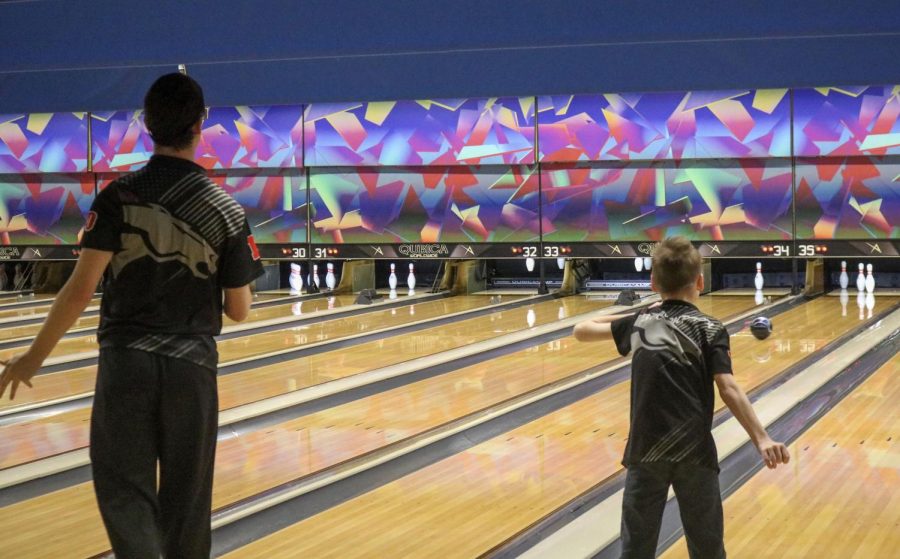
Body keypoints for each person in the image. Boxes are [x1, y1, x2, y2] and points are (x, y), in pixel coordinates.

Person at [0, 73, 264, 558]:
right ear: (201, 123)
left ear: (146, 124)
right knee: (187, 503)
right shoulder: (226, 209)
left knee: (125, 493)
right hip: (192, 369)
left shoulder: (118, 197)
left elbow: (80, 291)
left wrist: (35, 357)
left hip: (126, 367)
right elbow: (239, 309)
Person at [573, 236, 789, 559]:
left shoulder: (642, 323)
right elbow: (727, 387)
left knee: (635, 552)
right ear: (700, 281)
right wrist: (761, 439)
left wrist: (635, 313)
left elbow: (581, 329)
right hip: (695, 455)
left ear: (653, 282)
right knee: (708, 552)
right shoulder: (710, 328)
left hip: (645, 453)